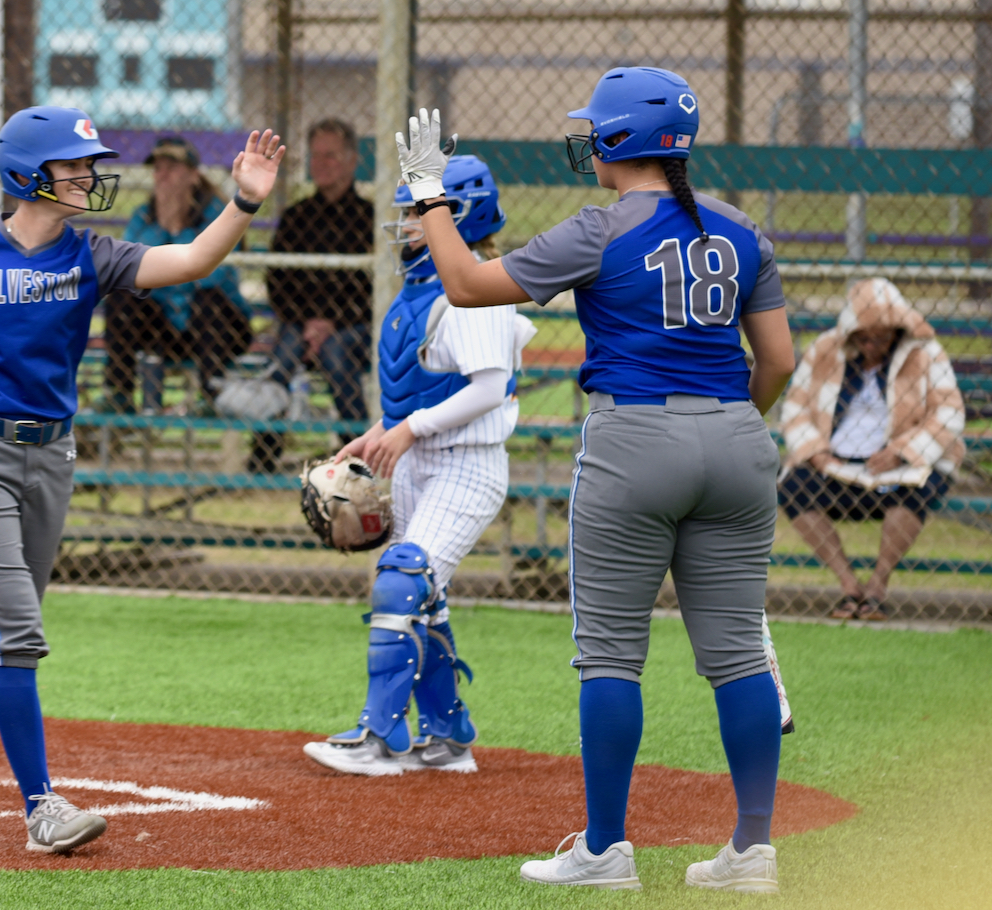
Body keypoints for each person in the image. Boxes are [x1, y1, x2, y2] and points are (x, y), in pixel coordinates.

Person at [0, 107, 283, 854]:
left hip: (50, 458)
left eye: (88, 165)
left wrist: (244, 202)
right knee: (20, 633)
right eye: (73, 166)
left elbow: (192, 262)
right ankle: (42, 809)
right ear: (26, 175)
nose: (89, 176)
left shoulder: (92, 255)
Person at [400, 69, 796, 893]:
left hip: (634, 440)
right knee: (738, 659)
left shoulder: (600, 228)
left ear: (622, 140)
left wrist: (430, 195)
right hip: (736, 436)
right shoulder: (741, 229)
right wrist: (725, 422)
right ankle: (752, 852)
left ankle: (607, 851)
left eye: (596, 127)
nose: (587, 137)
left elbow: (468, 285)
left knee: (611, 657)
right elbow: (780, 362)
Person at [302, 155, 534, 776]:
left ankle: (379, 738)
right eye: (407, 213)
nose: (407, 225)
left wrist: (407, 430)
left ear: (460, 216)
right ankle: (449, 736)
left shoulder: (478, 286)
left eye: (418, 213)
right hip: (420, 456)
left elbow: (489, 388)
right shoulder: (423, 292)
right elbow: (426, 390)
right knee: (420, 598)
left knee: (403, 577)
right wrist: (375, 435)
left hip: (465, 463)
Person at [778, 277, 965, 621]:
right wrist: (815, 452)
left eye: (880, 337)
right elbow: (795, 408)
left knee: (914, 490)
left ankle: (877, 588)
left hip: (899, 462)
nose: (871, 344)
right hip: (835, 462)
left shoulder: (925, 352)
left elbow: (949, 412)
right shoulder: (825, 350)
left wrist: (903, 451)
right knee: (791, 485)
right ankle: (850, 587)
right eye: (862, 338)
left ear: (896, 330)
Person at [253, 119, 374, 472]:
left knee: (337, 352)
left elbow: (371, 290)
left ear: (352, 161)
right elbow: (278, 282)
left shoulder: (369, 218)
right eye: (315, 156)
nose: (320, 164)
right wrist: (309, 323)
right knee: (284, 354)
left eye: (331, 156)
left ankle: (357, 453)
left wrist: (330, 323)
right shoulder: (297, 217)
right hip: (300, 325)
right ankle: (264, 450)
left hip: (354, 327)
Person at [103, 135, 253, 413]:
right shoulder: (144, 216)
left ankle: (213, 395)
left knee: (209, 302)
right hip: (163, 326)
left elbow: (209, 276)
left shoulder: (216, 214)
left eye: (172, 168)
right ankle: (118, 393)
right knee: (121, 298)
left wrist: (174, 231)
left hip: (215, 330)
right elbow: (129, 271)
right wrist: (166, 228)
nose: (162, 176)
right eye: (158, 169)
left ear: (194, 176)